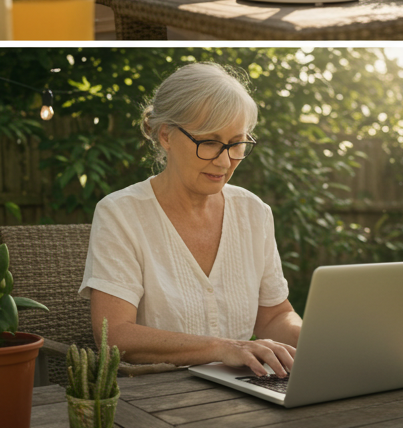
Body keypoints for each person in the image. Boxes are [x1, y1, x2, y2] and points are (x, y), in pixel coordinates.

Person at [80, 63, 300, 377]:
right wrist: (224, 348)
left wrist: (322, 341)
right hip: (154, 398)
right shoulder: (120, 213)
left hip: (244, 392)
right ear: (166, 135)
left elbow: (274, 316)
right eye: (209, 142)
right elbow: (114, 335)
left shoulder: (254, 212)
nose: (225, 161)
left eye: (236, 143)